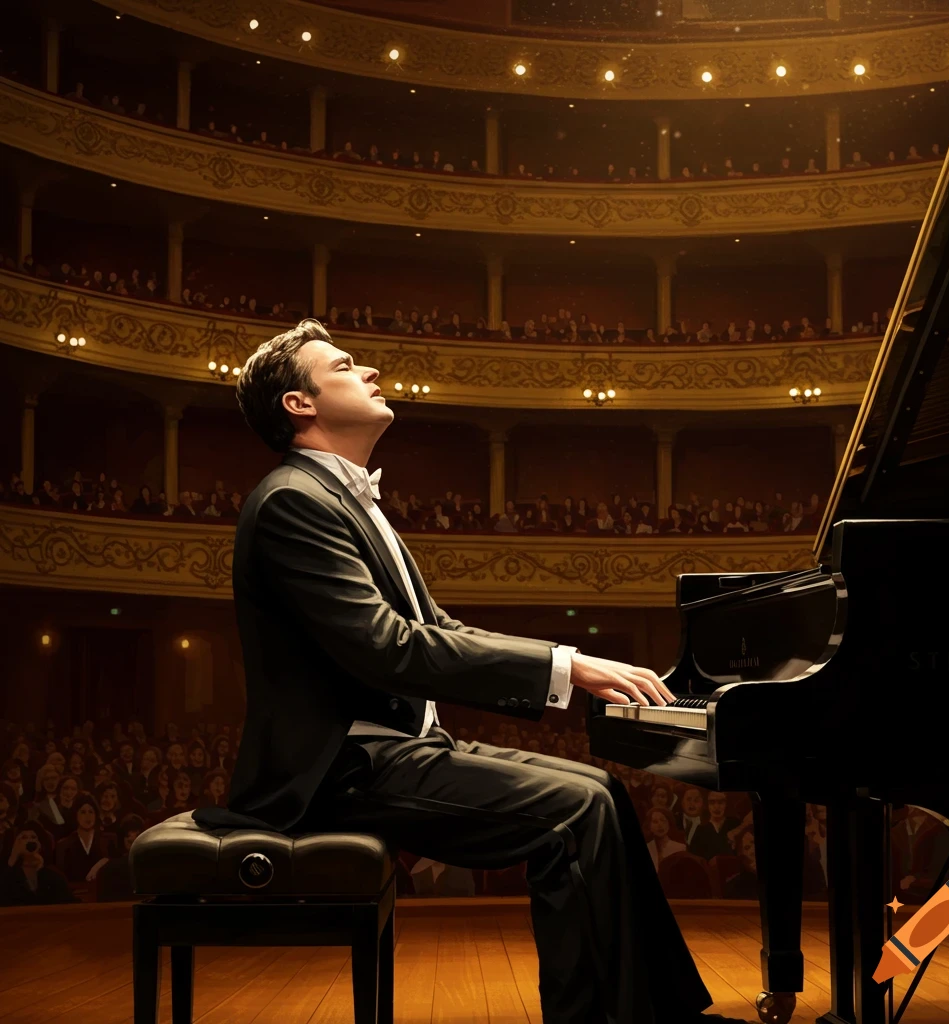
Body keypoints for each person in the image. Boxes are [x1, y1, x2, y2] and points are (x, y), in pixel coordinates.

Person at [196, 318, 736, 1024]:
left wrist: (573, 669)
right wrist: (569, 668)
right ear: (300, 404)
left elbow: (436, 631)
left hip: (393, 752)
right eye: (346, 365)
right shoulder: (294, 502)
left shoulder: (341, 498)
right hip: (339, 771)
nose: (370, 372)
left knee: (600, 791)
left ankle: (660, 1014)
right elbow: (388, 647)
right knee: (573, 816)